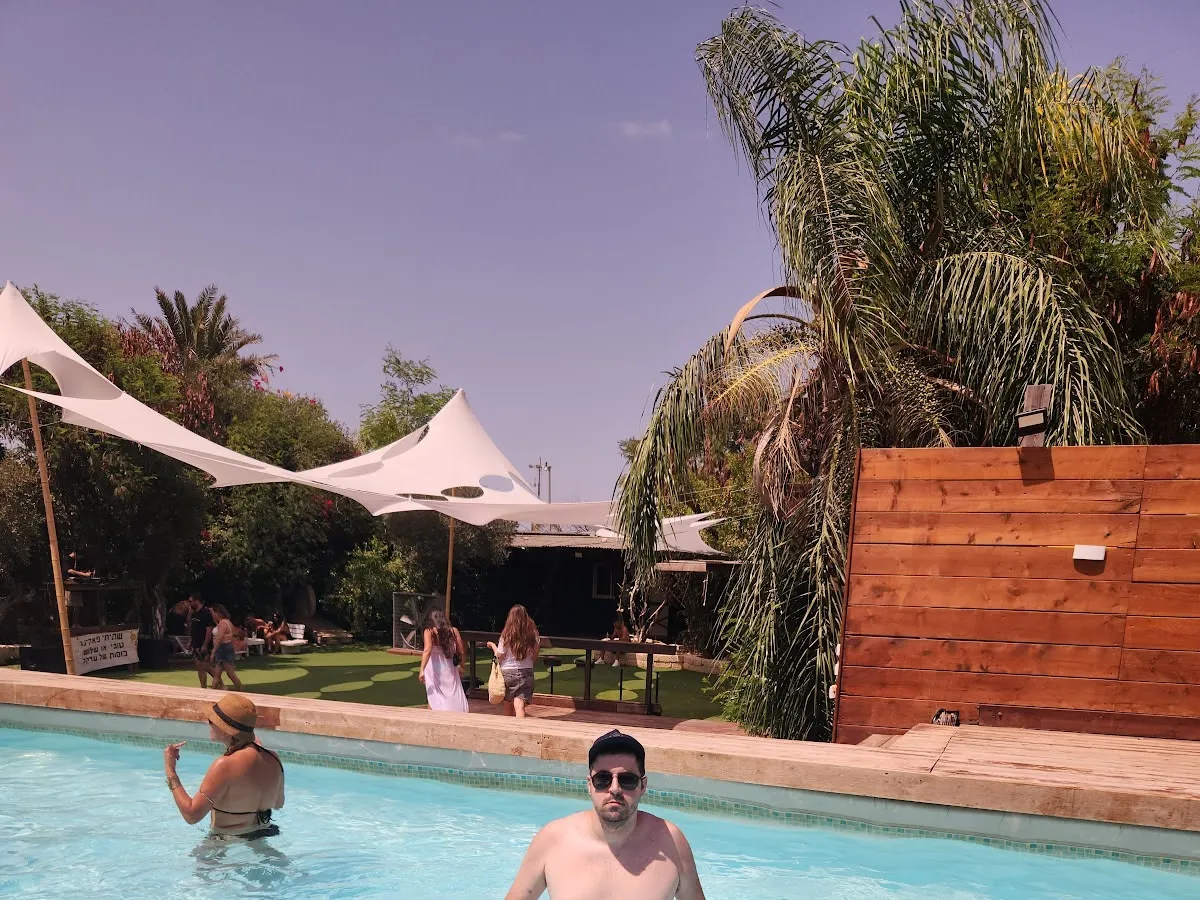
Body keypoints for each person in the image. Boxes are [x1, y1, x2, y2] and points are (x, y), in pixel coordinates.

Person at [505, 729, 706, 900]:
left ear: (643, 785)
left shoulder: (670, 841)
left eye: (627, 779)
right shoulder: (552, 840)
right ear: (589, 784)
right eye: (603, 779)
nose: (615, 788)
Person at [163, 693, 285, 840]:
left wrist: (170, 770)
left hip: (226, 842)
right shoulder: (273, 758)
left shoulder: (224, 765)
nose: (209, 724)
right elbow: (278, 803)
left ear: (226, 730)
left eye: (212, 721)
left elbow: (191, 815)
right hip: (264, 835)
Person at [488, 604, 540, 719]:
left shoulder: (506, 634)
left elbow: (500, 656)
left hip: (508, 672)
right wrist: (528, 664)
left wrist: (492, 646)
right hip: (526, 671)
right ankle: (520, 726)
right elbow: (535, 653)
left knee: (508, 703)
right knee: (519, 705)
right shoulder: (533, 634)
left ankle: (509, 727)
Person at [418, 609, 469, 713]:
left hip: (433, 668)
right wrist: (462, 666)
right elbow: (461, 651)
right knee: (452, 691)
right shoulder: (453, 631)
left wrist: (422, 669)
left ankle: (432, 716)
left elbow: (427, 650)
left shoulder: (429, 632)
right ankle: (456, 712)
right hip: (449, 667)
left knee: (434, 695)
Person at [210, 605, 244, 691]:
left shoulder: (222, 623)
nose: (212, 615)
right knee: (217, 674)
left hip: (223, 649)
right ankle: (212, 692)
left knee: (230, 674)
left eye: (213, 613)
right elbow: (232, 634)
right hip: (226, 648)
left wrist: (213, 651)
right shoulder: (227, 622)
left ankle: (241, 690)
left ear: (218, 613)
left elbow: (220, 638)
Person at [188, 593, 217, 689]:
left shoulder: (205, 613)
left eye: (191, 601)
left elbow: (209, 630)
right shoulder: (194, 614)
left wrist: (205, 645)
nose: (189, 604)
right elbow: (194, 630)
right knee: (200, 666)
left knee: (205, 666)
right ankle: (203, 687)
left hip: (204, 643)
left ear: (197, 601)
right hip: (196, 644)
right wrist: (191, 642)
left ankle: (221, 684)